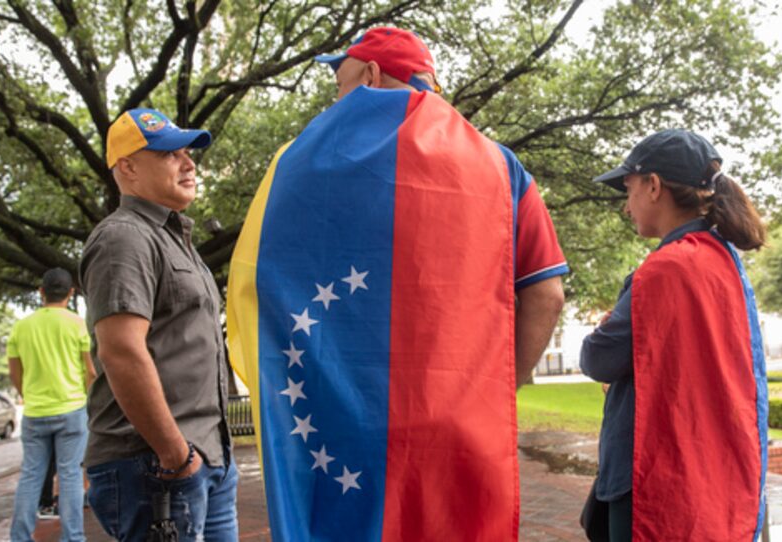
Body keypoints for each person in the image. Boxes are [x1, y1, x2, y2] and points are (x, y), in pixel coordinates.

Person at [227, 27, 567, 541]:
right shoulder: (502, 169)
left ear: (369, 76)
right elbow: (547, 292)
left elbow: (254, 284)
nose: (336, 99)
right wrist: (501, 389)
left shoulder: (293, 165)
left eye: (340, 85)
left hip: (336, 432)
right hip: (457, 431)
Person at [580, 129, 768, 541]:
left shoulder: (665, 270)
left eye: (627, 189)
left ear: (653, 186)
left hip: (650, 476)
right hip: (709, 469)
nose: (626, 206)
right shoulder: (724, 262)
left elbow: (597, 359)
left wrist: (605, 326)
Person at [79, 108, 237, 541]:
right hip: (153, 464)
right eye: (170, 154)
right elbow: (121, 351)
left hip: (203, 459)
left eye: (188, 153)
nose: (188, 163)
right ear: (127, 168)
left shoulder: (175, 238)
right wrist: (175, 455)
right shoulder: (124, 237)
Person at [7, 268, 95, 542]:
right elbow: (90, 372)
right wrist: (82, 398)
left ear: (41, 292)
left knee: (31, 475)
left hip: (35, 412)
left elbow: (14, 371)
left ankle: (20, 536)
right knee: (69, 475)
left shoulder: (22, 326)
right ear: (71, 293)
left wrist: (28, 394)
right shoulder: (77, 323)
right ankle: (73, 537)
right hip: (71, 409)